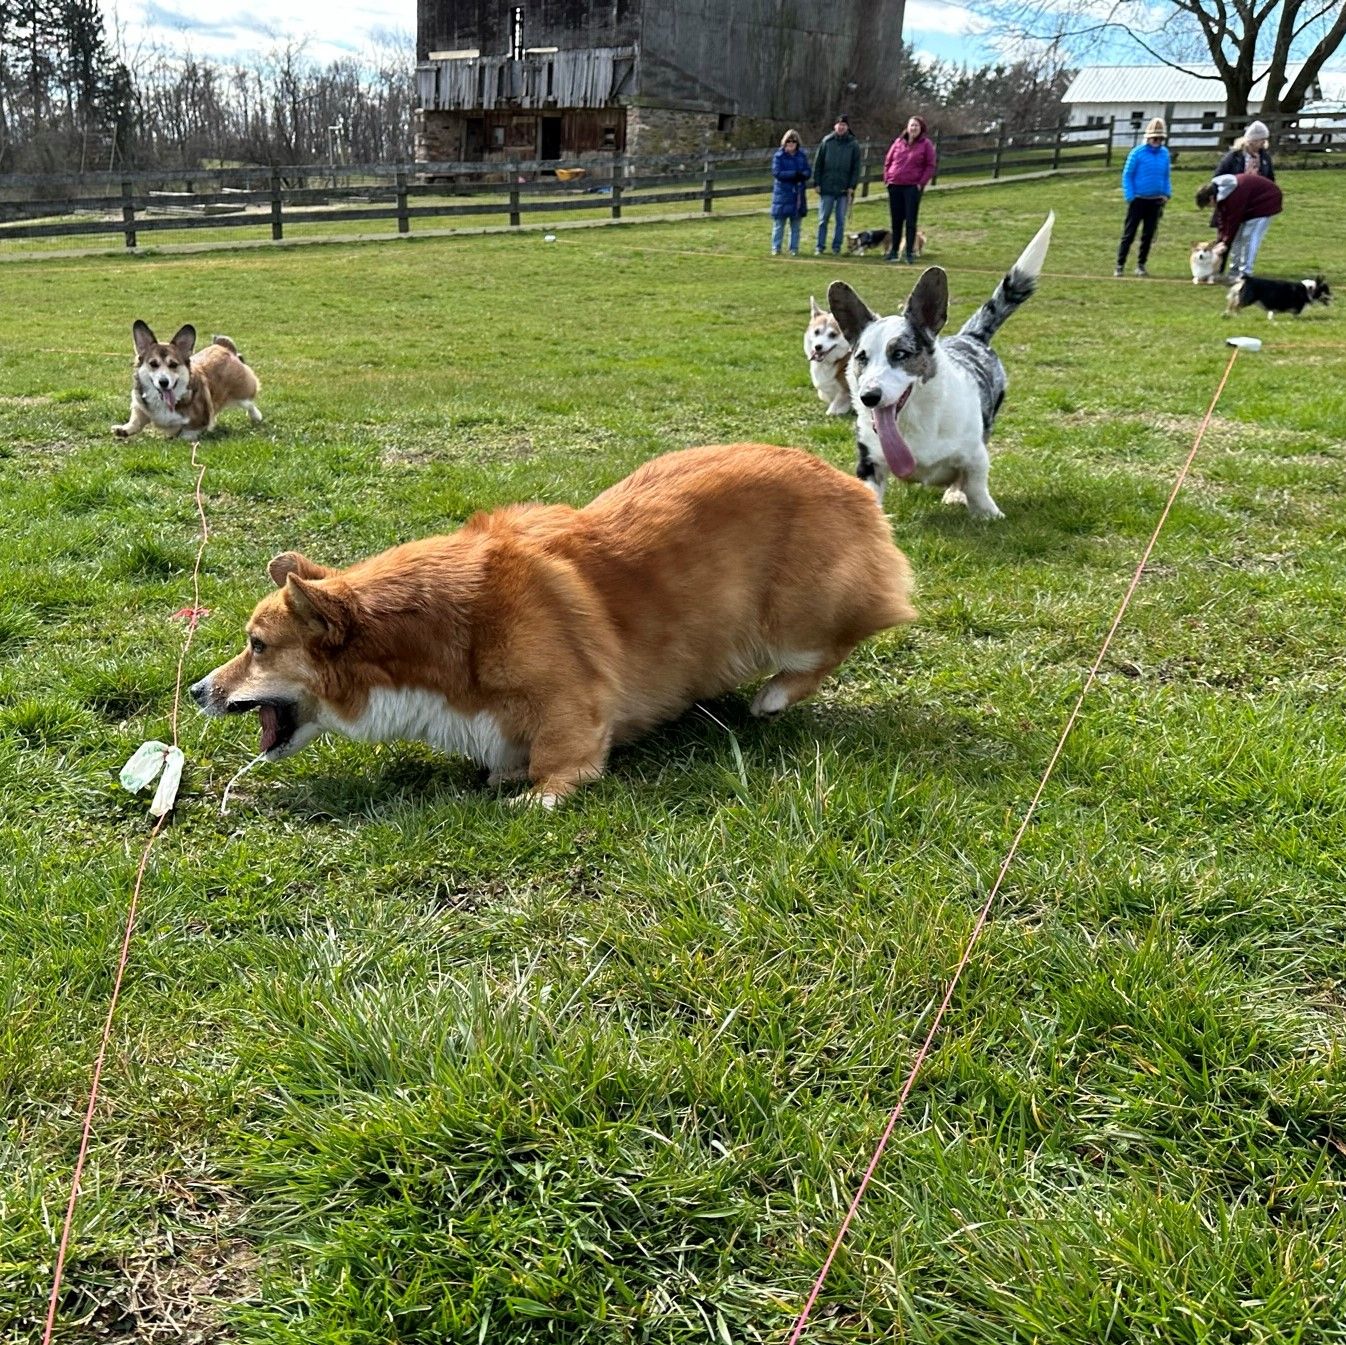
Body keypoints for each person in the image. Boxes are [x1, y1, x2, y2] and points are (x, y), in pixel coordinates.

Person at [1194, 172, 1283, 280]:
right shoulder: (1221, 195)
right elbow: (1223, 220)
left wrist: (1225, 243)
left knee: (1248, 237)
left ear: (1211, 198)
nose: (1211, 207)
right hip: (1249, 206)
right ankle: (1234, 271)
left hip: (1265, 203)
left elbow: (1233, 220)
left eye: (1208, 205)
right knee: (1237, 239)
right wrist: (1221, 241)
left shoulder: (1233, 195)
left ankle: (1245, 274)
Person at [1114, 117, 1172, 277]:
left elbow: (1166, 176)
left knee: (1148, 235)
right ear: (1148, 138)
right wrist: (1130, 195)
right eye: (1154, 138)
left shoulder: (1165, 154)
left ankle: (1141, 264)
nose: (1157, 141)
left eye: (1160, 138)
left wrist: (1167, 193)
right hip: (1138, 200)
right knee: (1129, 233)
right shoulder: (1137, 153)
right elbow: (1127, 175)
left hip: (1156, 200)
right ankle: (1120, 264)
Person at [882, 115, 936, 263]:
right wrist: (887, 179)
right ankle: (894, 251)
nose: (913, 128)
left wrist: (921, 183)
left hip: (912, 187)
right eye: (911, 125)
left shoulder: (926, 145)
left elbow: (930, 166)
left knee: (910, 221)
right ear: (907, 127)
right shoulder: (898, 142)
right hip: (895, 185)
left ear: (921, 129)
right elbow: (888, 161)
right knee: (896, 221)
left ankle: (909, 253)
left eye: (916, 126)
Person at [812, 114, 861, 256]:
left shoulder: (853, 144)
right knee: (823, 219)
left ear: (847, 127)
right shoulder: (827, 142)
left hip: (844, 189)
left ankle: (836, 247)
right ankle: (820, 246)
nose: (841, 127)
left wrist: (852, 186)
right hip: (827, 187)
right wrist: (817, 182)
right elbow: (818, 163)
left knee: (840, 220)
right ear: (835, 126)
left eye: (844, 125)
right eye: (839, 124)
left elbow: (856, 168)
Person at [770, 129, 811, 257]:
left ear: (797, 143)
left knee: (796, 226)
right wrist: (794, 174)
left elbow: (808, 171)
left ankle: (794, 248)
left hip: (797, 194)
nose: (791, 143)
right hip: (782, 195)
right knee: (779, 225)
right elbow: (777, 173)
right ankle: (776, 248)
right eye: (789, 141)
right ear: (785, 142)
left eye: (794, 141)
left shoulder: (802, 156)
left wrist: (802, 176)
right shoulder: (778, 156)